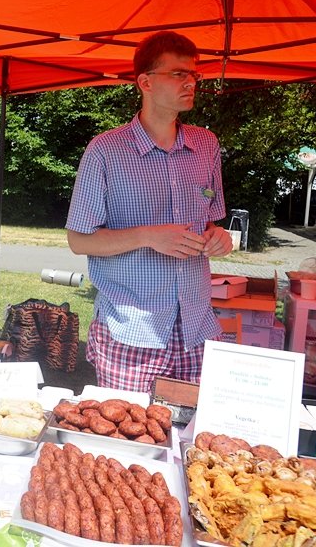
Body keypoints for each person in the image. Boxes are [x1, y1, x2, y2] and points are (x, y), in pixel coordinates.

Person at [66, 30, 233, 393]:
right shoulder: (105, 151)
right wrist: (147, 235)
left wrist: (219, 237)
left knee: (194, 441)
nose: (191, 82)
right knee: (126, 440)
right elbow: (79, 241)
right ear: (145, 82)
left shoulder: (207, 145)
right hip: (132, 330)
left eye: (194, 75)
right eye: (179, 74)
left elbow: (210, 223)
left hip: (196, 328)